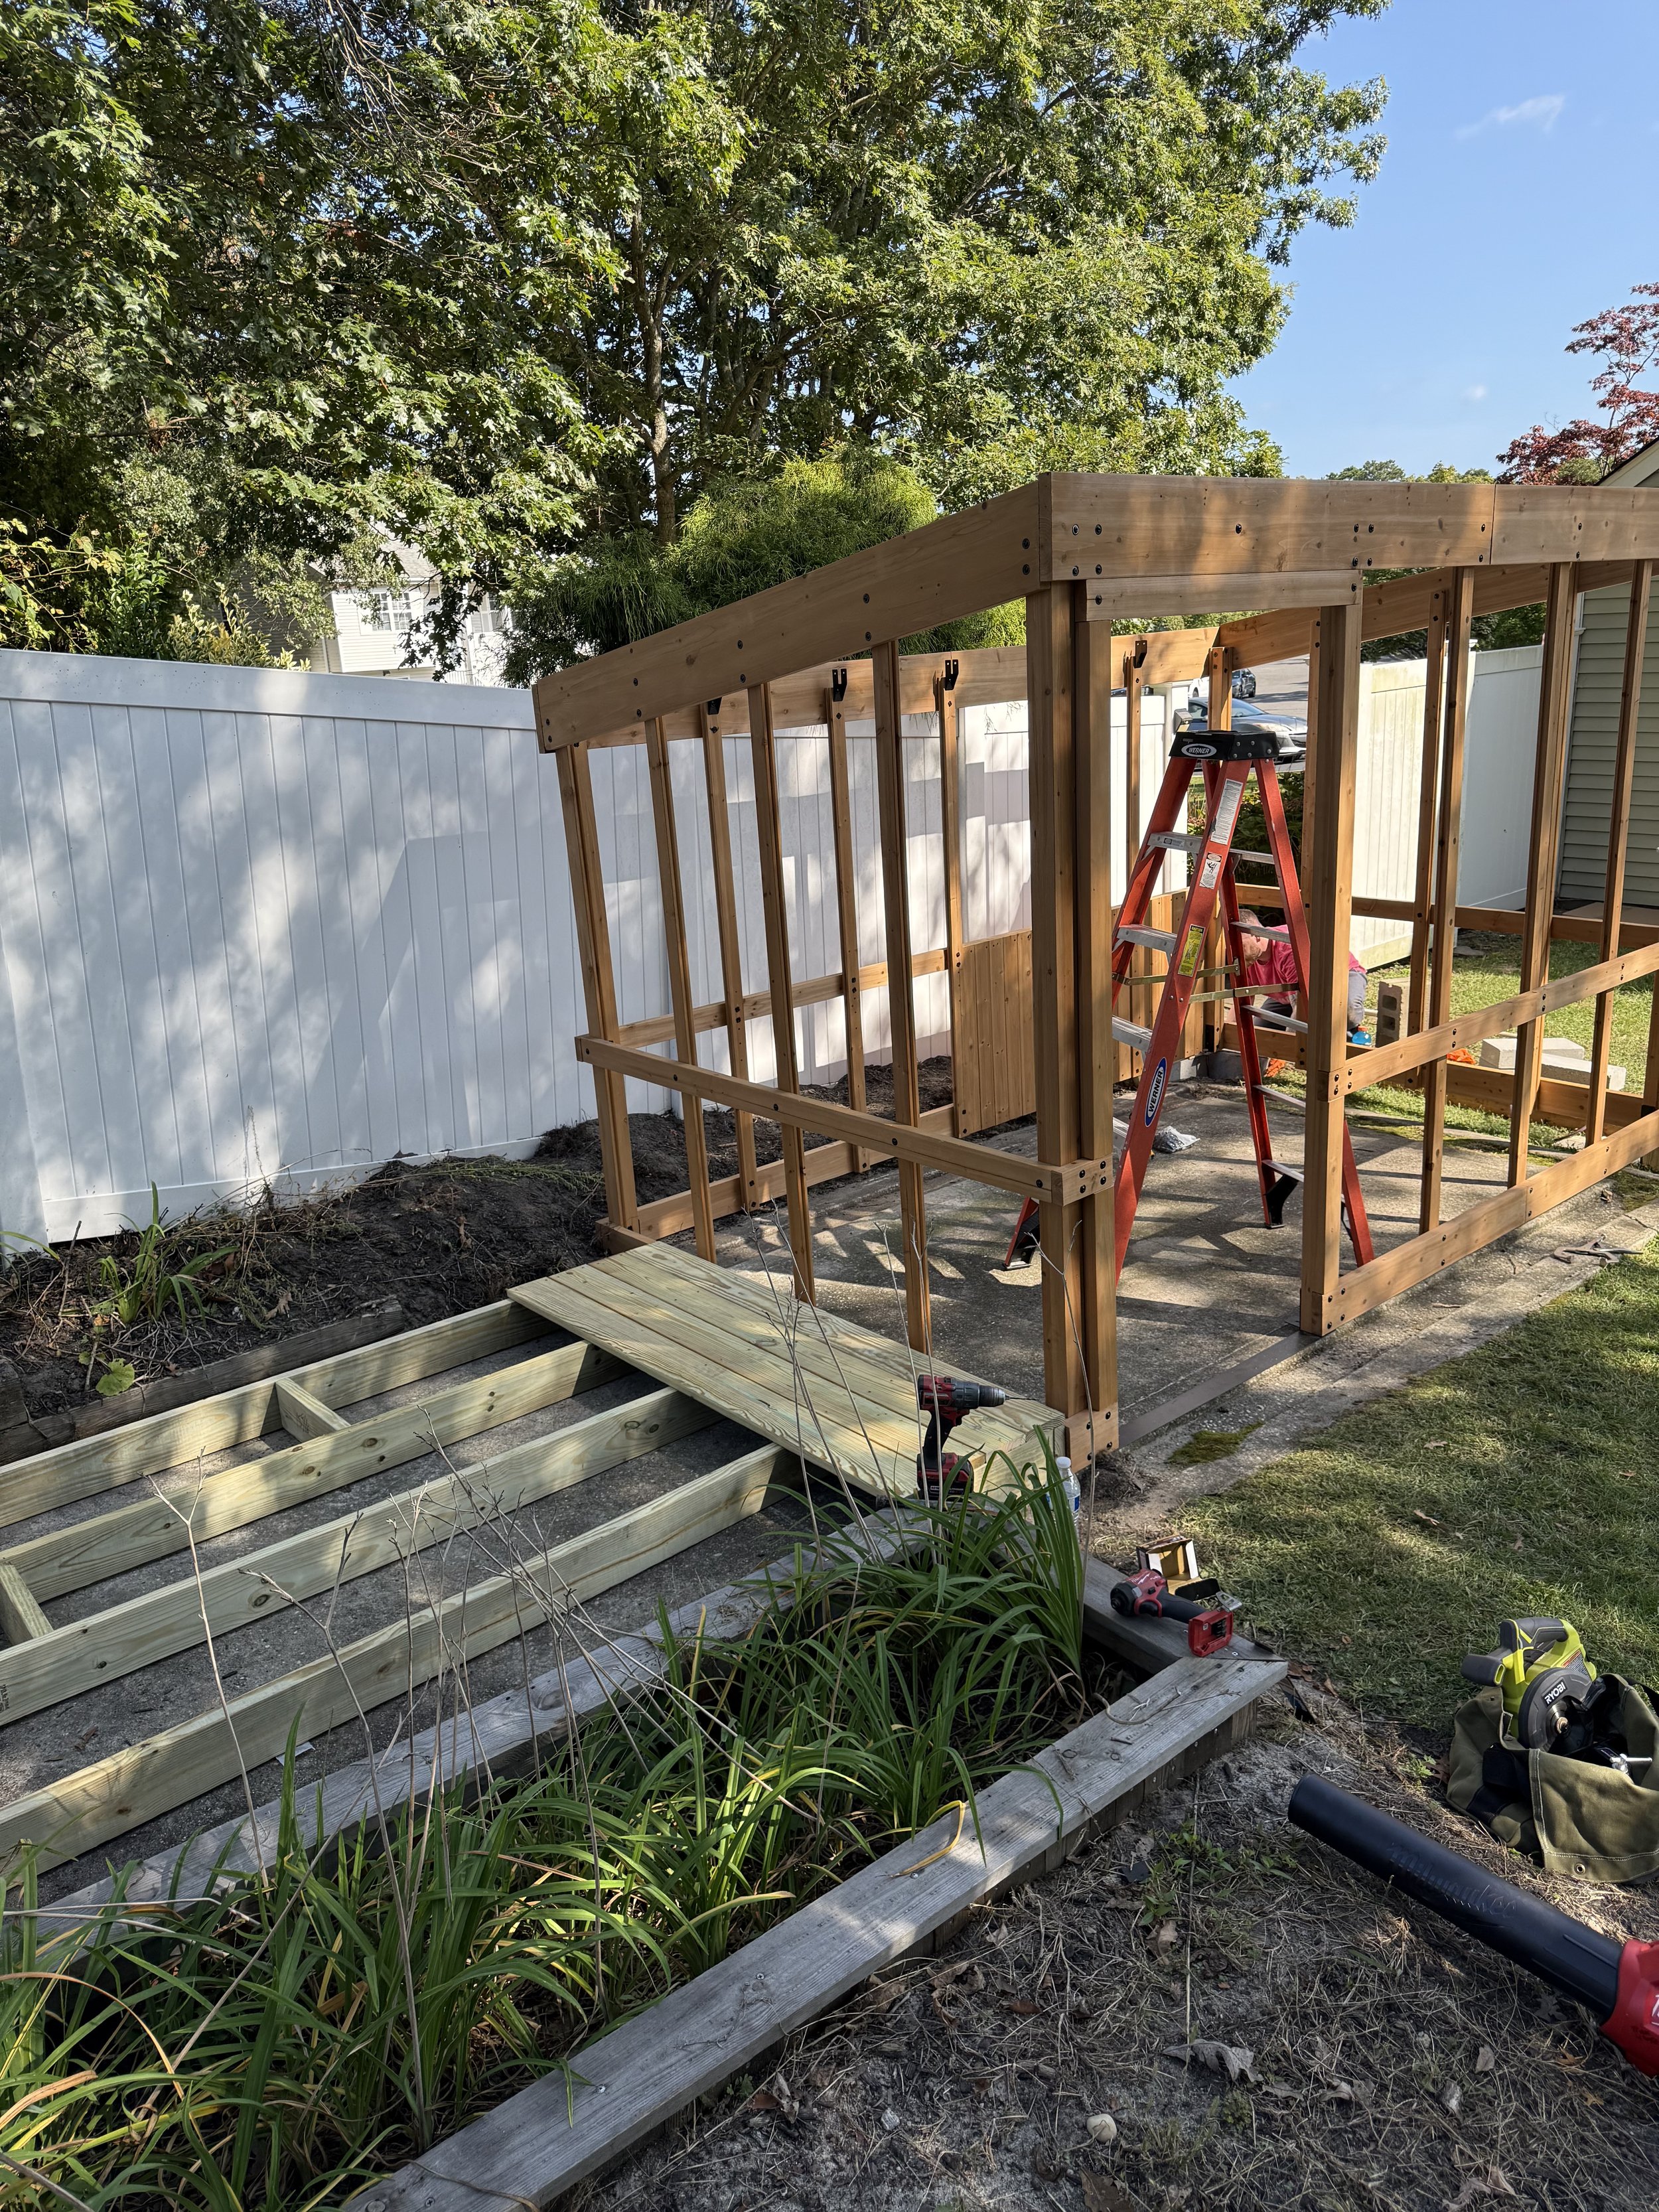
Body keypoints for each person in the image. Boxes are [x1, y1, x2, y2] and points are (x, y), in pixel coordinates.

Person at [1235, 911, 1370, 1043]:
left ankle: (1351, 1037)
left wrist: (1292, 1047)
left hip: (1339, 976)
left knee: (1345, 1014)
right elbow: (1241, 1001)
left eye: (1242, 945)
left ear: (1257, 935)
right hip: (1292, 993)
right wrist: (1228, 1040)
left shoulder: (1288, 950)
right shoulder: (1245, 957)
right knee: (1260, 1036)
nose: (1236, 952)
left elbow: (1302, 1008)